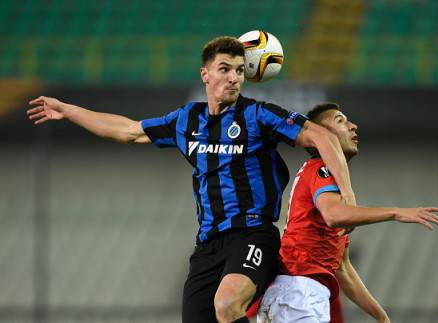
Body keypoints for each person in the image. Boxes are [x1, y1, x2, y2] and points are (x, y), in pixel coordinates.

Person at [26, 37, 356, 323]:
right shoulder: (187, 120)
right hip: (209, 244)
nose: (234, 78)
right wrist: (67, 110)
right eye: (225, 69)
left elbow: (322, 138)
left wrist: (347, 195)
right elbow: (126, 130)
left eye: (240, 71)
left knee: (227, 304)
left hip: (253, 234)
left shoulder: (259, 115)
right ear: (205, 74)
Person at [257, 103, 438, 323]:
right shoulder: (320, 168)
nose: (353, 126)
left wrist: (381, 316)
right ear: (323, 135)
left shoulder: (325, 178)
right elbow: (333, 215)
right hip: (299, 294)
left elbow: (342, 267)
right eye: (341, 121)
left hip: (297, 295)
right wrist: (395, 212)